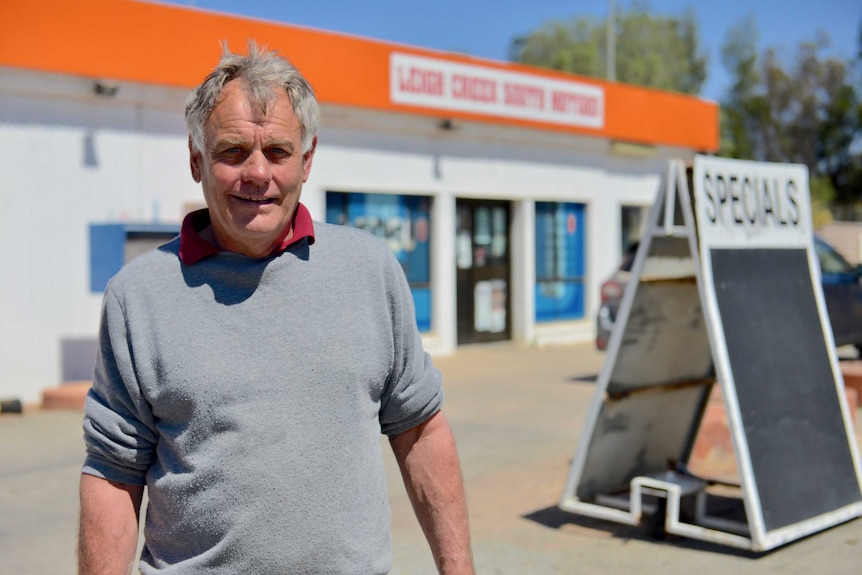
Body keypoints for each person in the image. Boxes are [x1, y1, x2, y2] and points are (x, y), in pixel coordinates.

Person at [78, 42, 474, 575]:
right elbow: (112, 472)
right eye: (233, 151)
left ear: (307, 161)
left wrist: (458, 569)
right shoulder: (138, 295)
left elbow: (421, 432)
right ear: (196, 160)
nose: (257, 174)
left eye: (278, 152)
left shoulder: (368, 270)